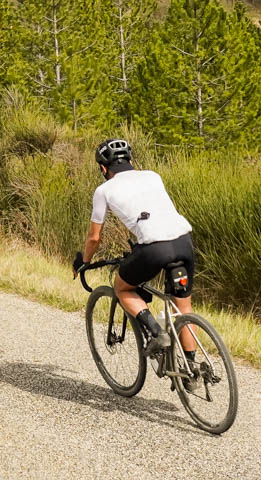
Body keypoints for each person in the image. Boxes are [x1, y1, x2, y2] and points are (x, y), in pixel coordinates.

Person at [73, 137, 199, 365]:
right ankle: (192, 368)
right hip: (184, 241)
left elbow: (94, 237)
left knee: (122, 288)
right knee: (183, 308)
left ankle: (157, 332)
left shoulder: (104, 190)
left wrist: (84, 261)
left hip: (154, 248)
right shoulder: (153, 176)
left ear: (103, 168)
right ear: (132, 160)